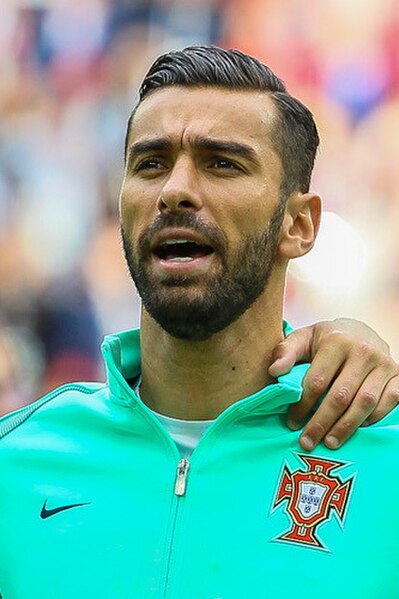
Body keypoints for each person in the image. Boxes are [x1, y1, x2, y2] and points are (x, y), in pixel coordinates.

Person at [1, 46, 398, 599]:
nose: (175, 191)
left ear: (300, 224)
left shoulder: (385, 465)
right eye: (151, 163)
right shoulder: (16, 463)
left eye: (222, 163)